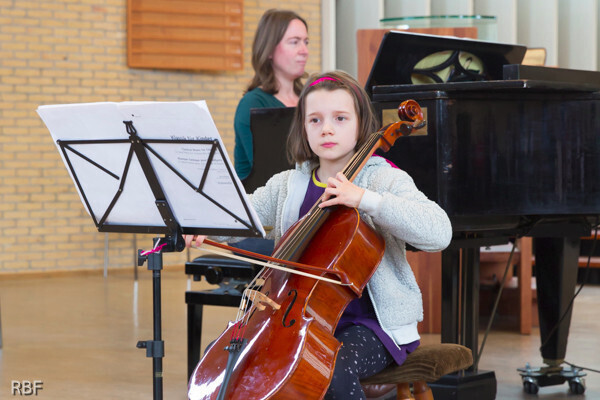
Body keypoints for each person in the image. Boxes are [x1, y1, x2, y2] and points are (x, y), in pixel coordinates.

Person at [186, 70, 452, 399]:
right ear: (303, 128)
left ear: (360, 123)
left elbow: (439, 231)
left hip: (371, 326)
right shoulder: (288, 183)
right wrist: (203, 224)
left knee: (331, 369)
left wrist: (364, 200)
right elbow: (242, 213)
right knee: (227, 360)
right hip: (293, 320)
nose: (326, 128)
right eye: (315, 120)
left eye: (340, 118)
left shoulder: (382, 179)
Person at [231, 8, 309, 256]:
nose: (304, 50)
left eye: (306, 42)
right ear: (270, 50)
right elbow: (273, 176)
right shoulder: (253, 104)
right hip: (263, 222)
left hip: (302, 214)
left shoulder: (311, 99)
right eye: (294, 42)